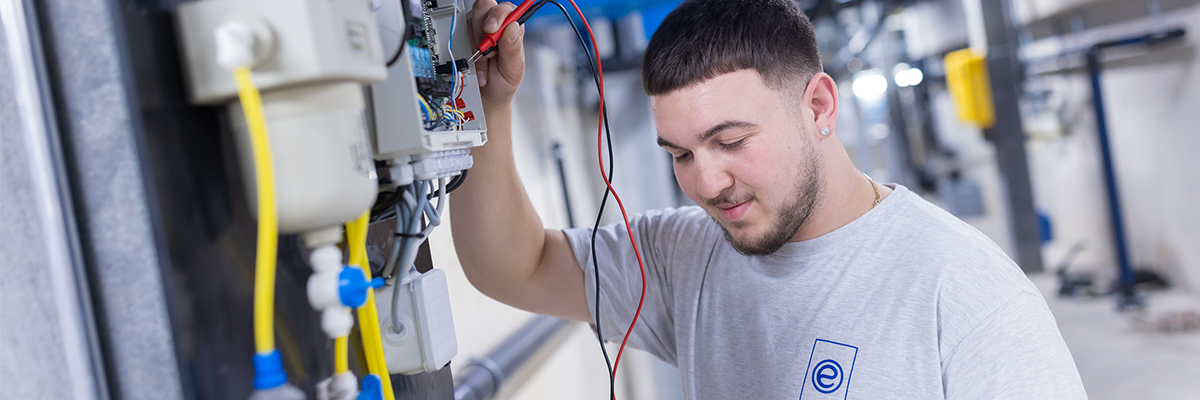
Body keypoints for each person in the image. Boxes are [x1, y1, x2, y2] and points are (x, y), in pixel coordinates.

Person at [450, 0, 1088, 398]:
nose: (706, 183)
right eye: (678, 154)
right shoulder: (684, 254)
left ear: (818, 106)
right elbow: (516, 267)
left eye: (730, 141)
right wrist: (488, 104)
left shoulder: (964, 292)